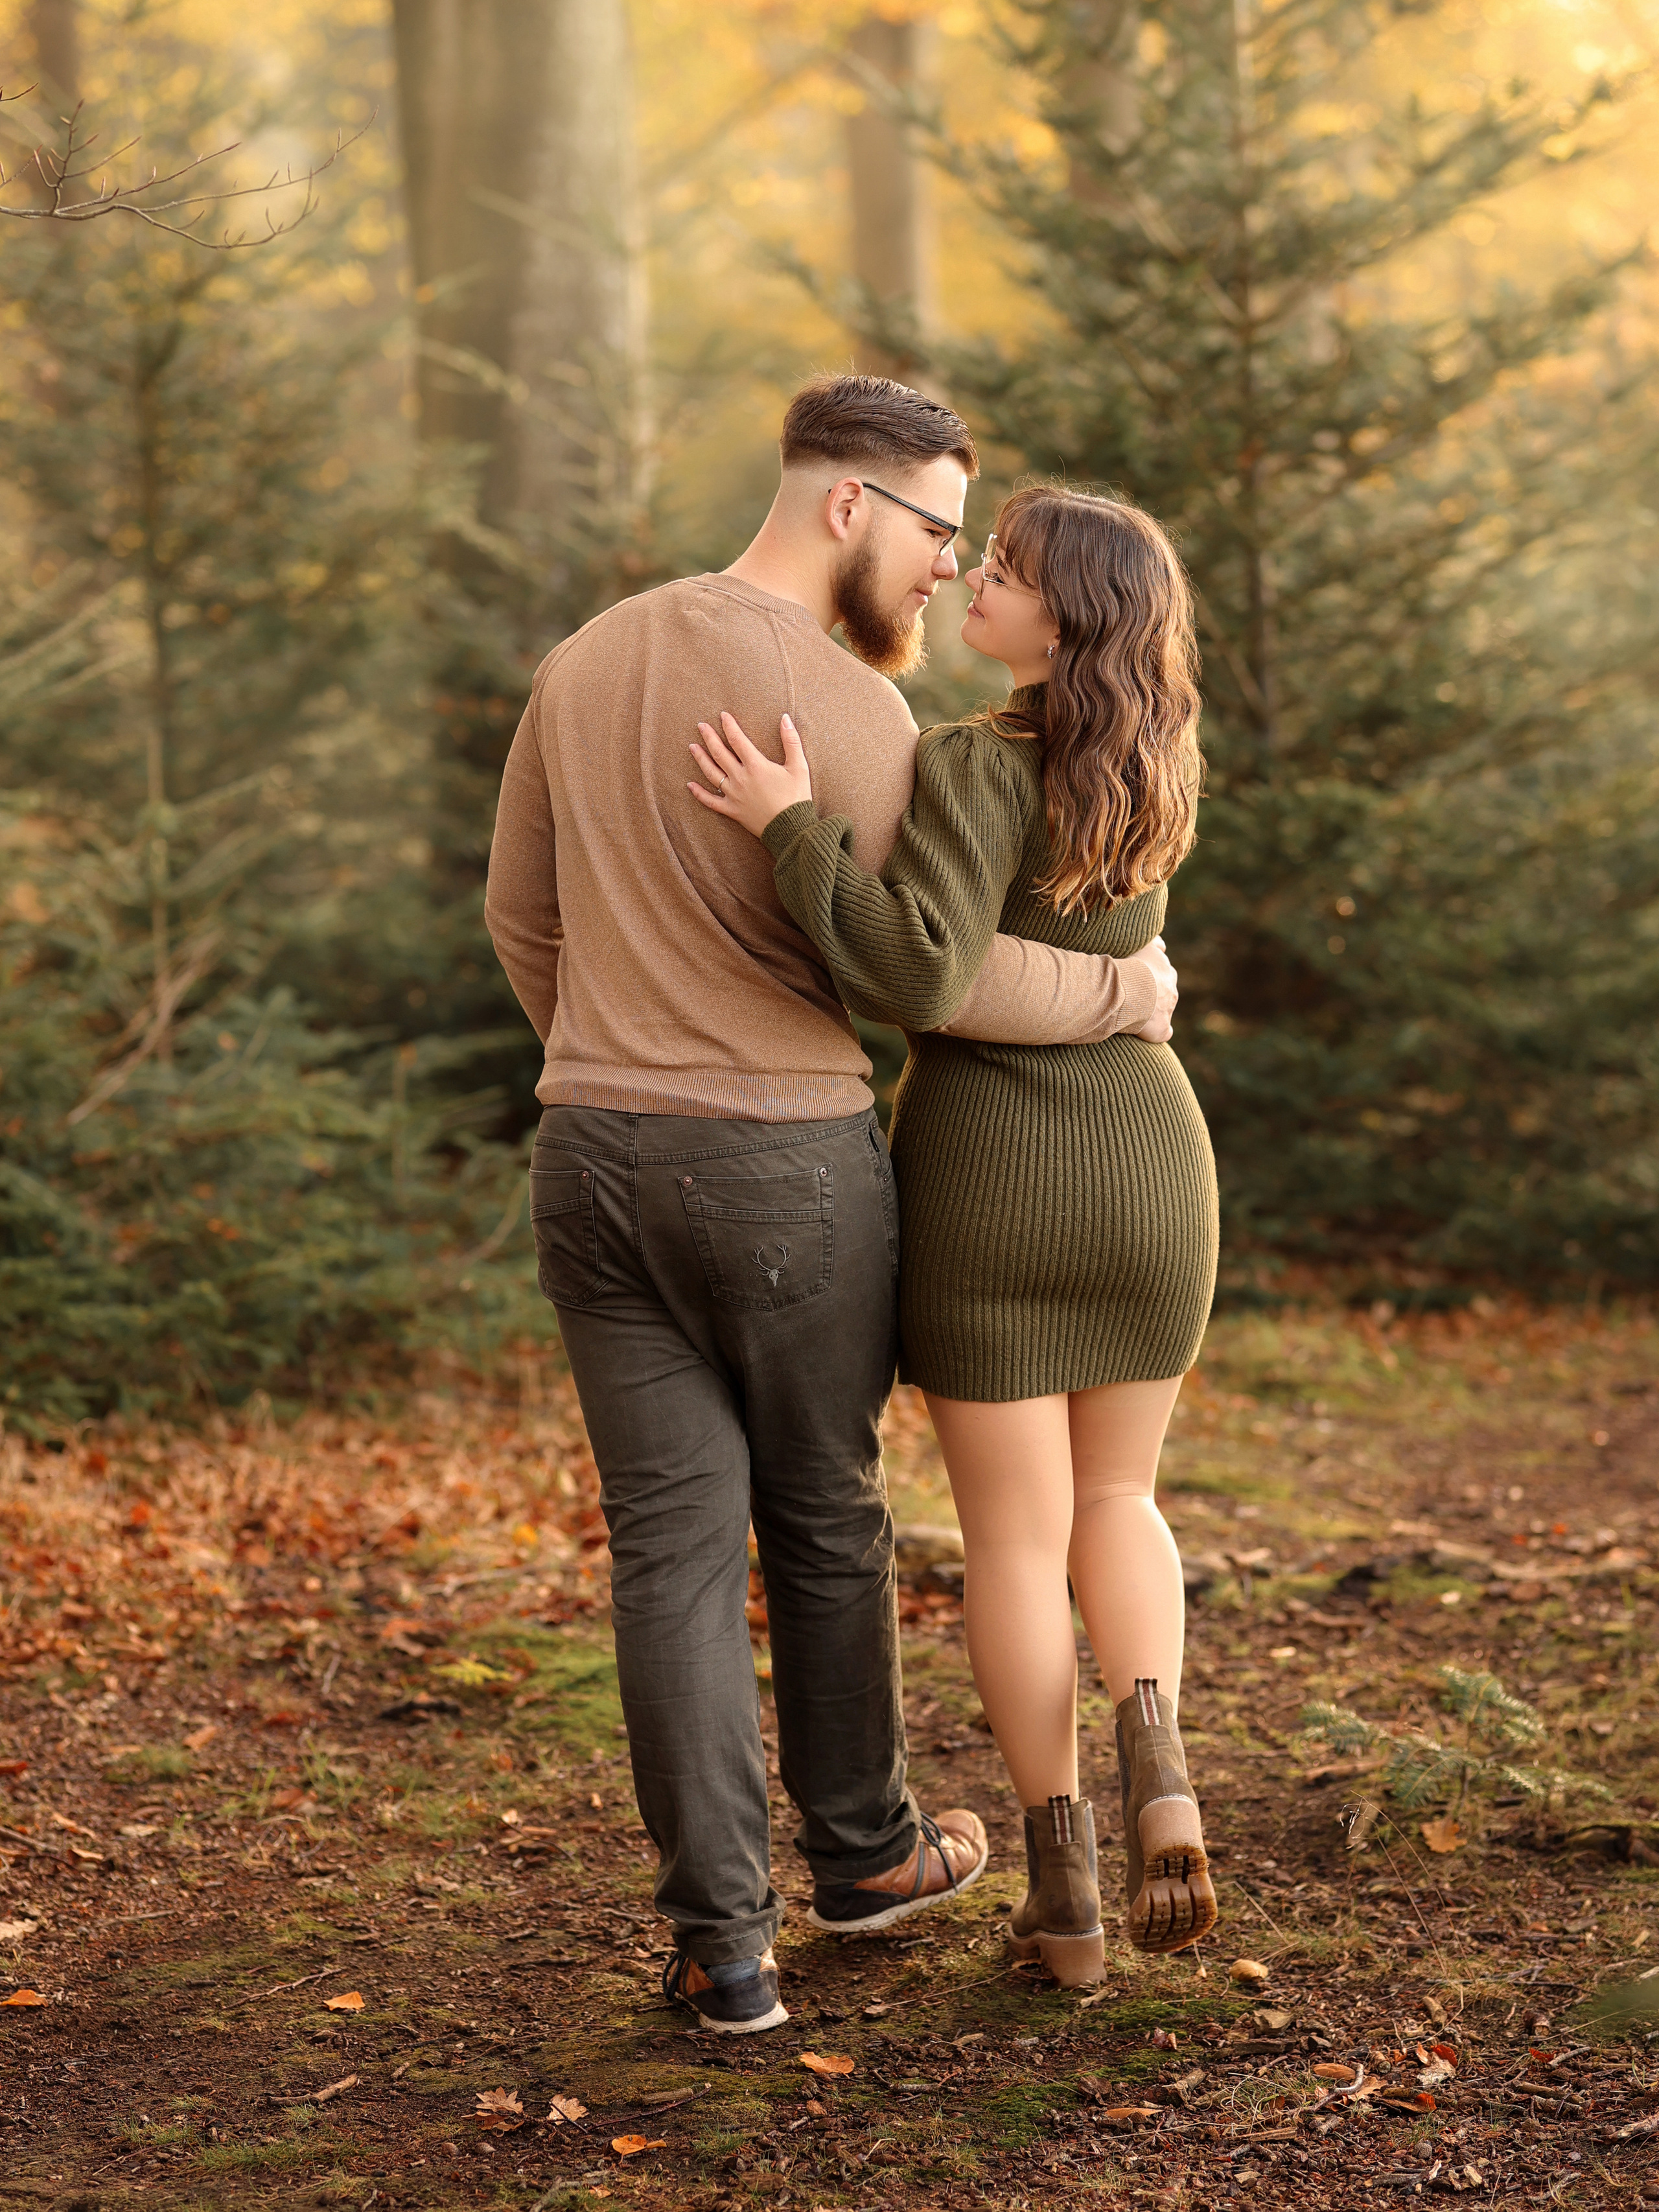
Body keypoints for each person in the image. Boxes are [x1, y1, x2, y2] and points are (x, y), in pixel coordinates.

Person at [485, 380, 1179, 2034]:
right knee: (817, 1515)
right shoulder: (858, 720)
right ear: (849, 507)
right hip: (784, 1160)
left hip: (587, 1153)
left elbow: (521, 915)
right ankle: (864, 1859)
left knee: (663, 1549)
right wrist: (1122, 999)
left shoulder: (584, 660)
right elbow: (924, 979)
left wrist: (611, 1051)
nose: (948, 569)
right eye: (942, 530)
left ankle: (723, 1954)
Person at [688, 483, 1220, 1984]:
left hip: (990, 1172)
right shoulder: (1155, 759)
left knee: (1010, 1536)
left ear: (1067, 617)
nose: (970, 581)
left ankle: (1062, 1897)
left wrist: (792, 833)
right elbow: (1101, 957)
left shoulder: (975, 760)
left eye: (1005, 572)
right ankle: (1159, 1763)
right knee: (1120, 1500)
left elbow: (916, 971)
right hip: (1148, 1161)